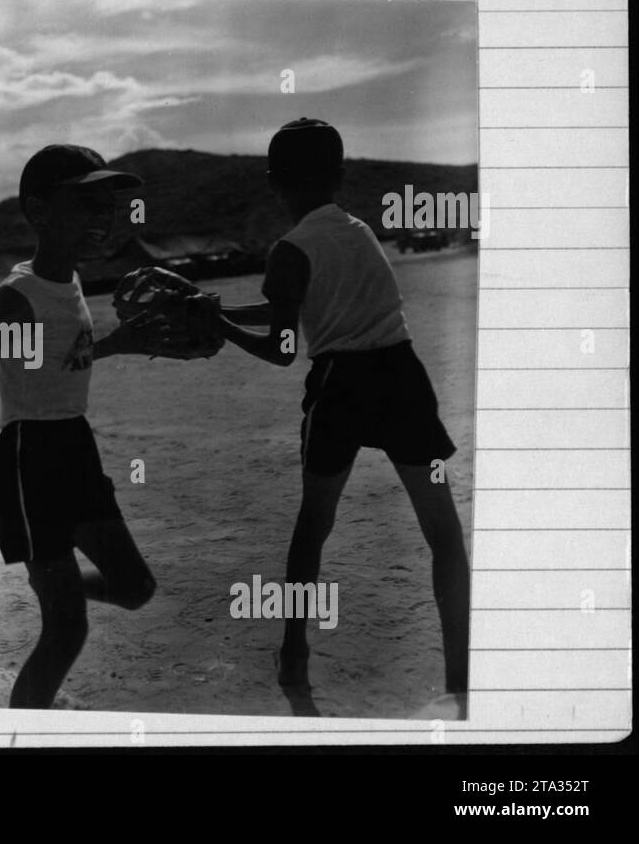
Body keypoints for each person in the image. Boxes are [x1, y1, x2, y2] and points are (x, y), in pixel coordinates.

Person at [184, 118, 470, 699]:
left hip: (342, 386)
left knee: (313, 527)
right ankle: (460, 670)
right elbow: (294, 306)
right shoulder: (359, 231)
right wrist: (221, 310)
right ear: (339, 175)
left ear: (272, 182)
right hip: (403, 376)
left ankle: (293, 654)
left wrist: (216, 323)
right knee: (443, 533)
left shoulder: (289, 250)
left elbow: (282, 349)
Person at [0, 144, 161, 709]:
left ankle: (57, 596)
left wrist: (118, 344)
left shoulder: (71, 280)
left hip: (74, 449)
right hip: (28, 459)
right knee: (67, 632)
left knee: (134, 589)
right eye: (85, 202)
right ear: (39, 210)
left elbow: (60, 361)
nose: (102, 216)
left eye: (106, 204)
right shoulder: (15, 299)